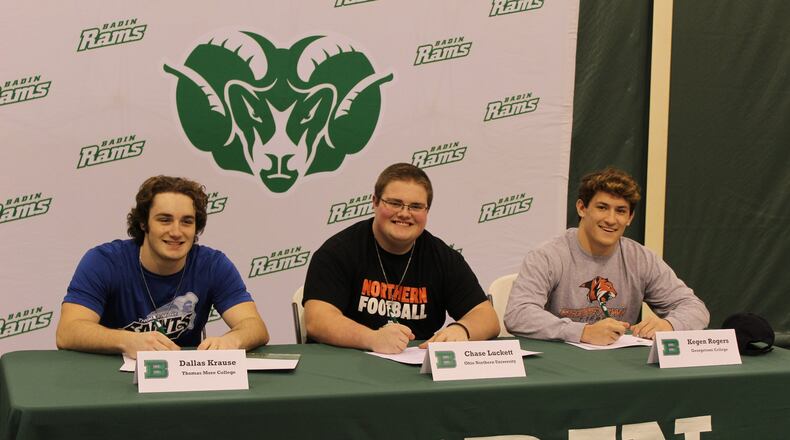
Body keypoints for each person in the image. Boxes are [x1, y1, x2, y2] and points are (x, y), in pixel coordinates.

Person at [56, 175, 269, 358]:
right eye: (165, 220)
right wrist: (126, 341)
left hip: (183, 382)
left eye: (186, 222)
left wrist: (233, 341)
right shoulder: (104, 261)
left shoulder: (212, 264)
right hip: (111, 379)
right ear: (143, 223)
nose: (176, 232)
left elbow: (254, 326)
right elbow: (68, 331)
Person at [303, 163, 500, 353]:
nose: (404, 214)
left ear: (427, 211)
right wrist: (372, 338)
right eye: (395, 203)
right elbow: (317, 320)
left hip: (418, 372)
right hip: (347, 366)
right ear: (375, 202)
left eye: (415, 206)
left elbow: (487, 317)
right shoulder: (338, 251)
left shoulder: (443, 257)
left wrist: (461, 330)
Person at [504, 167, 709, 345]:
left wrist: (669, 325)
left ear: (629, 218)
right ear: (582, 208)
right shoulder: (548, 256)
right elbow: (518, 314)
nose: (611, 219)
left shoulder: (641, 258)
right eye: (602, 208)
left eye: (620, 211)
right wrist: (583, 332)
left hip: (619, 365)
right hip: (560, 364)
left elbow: (695, 309)